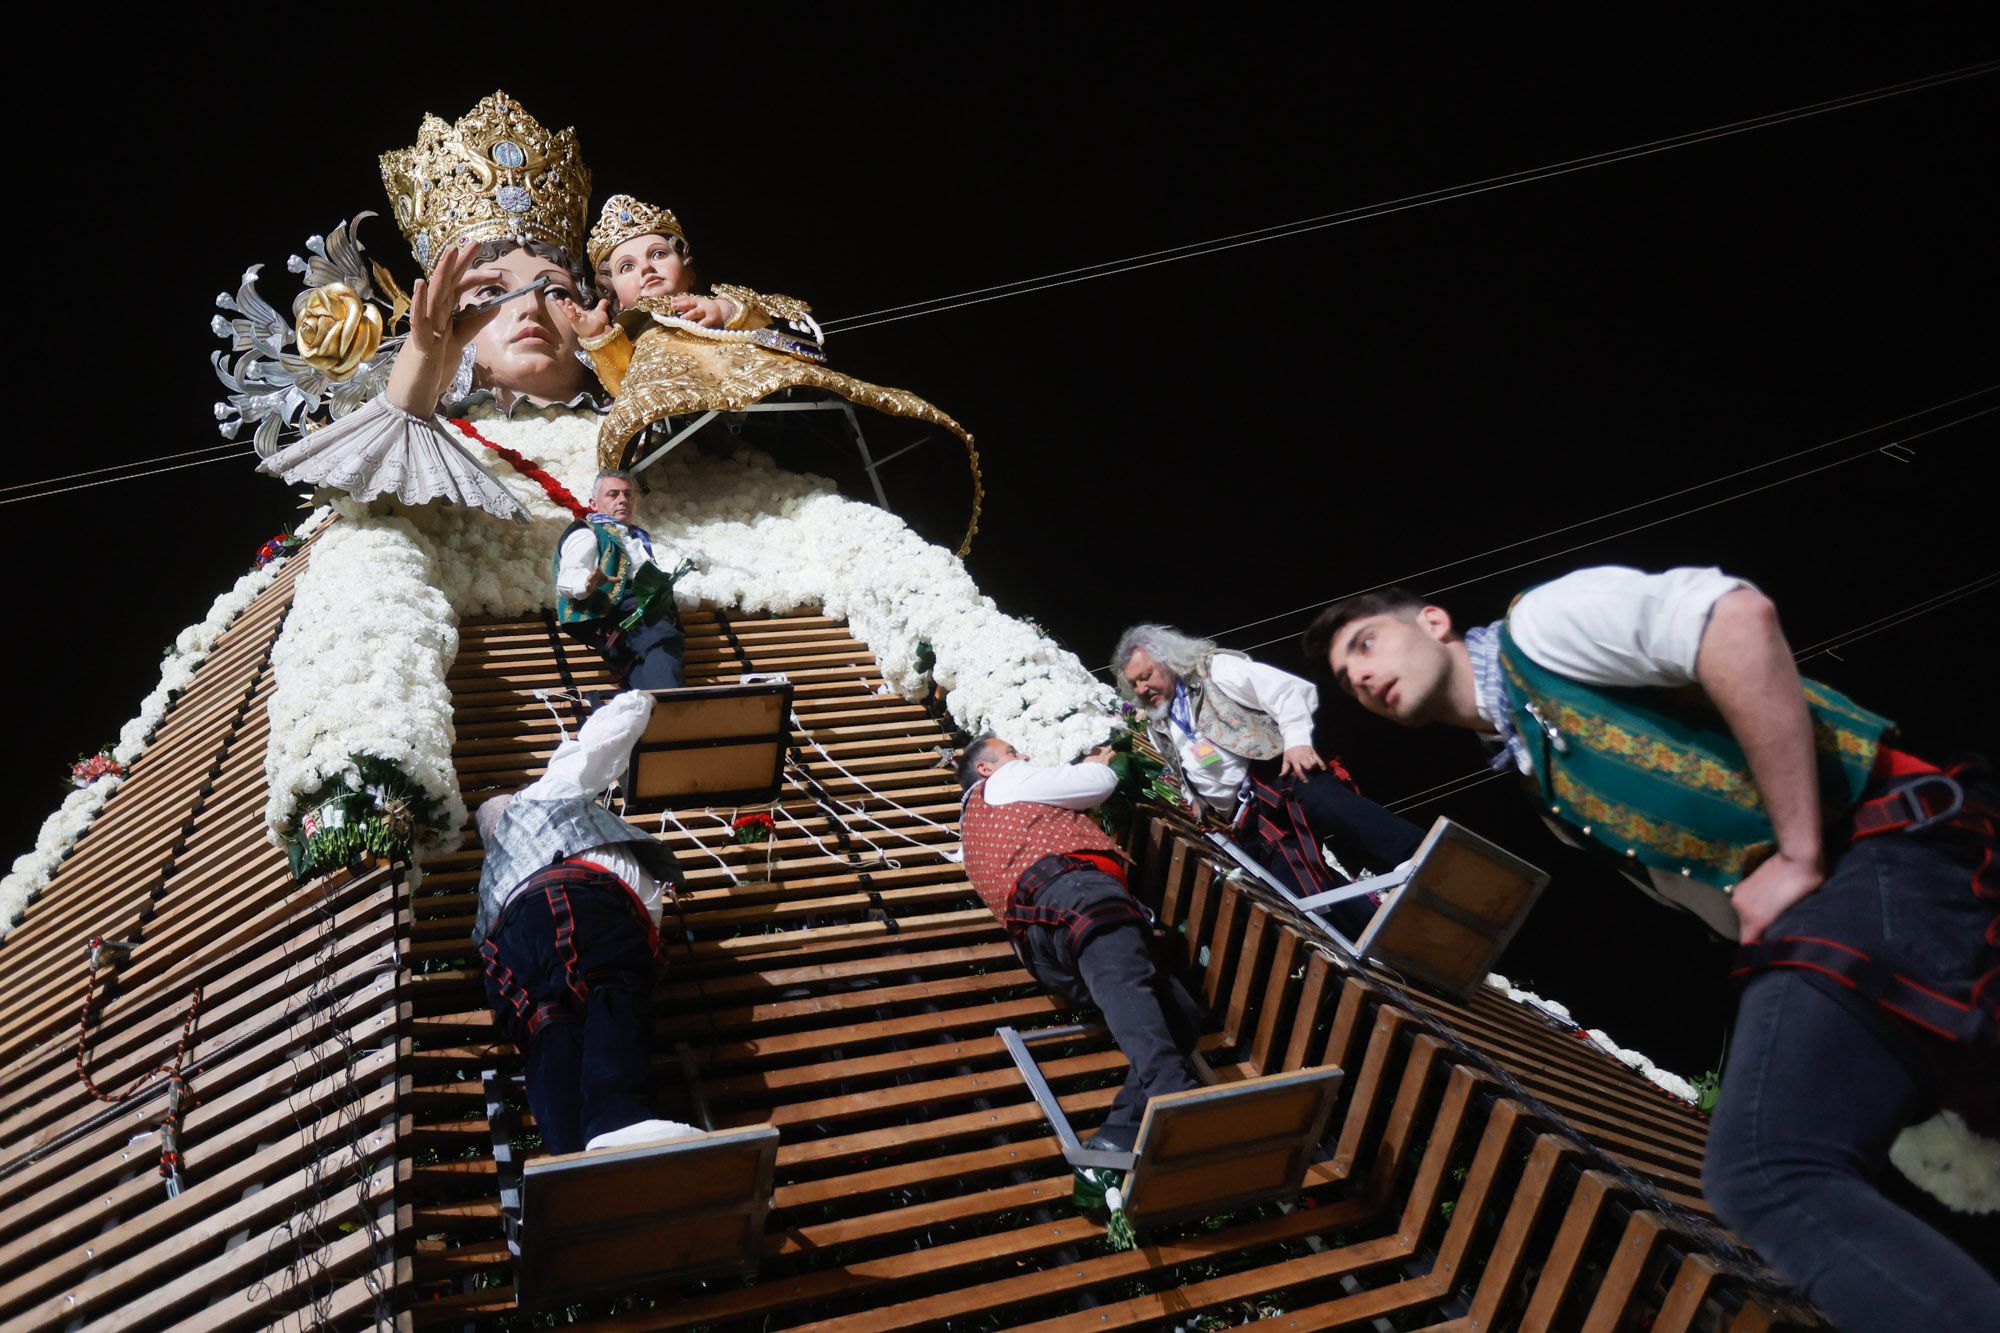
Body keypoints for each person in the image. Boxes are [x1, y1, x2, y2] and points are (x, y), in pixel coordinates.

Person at [1309, 566, 1999, 1332]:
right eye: (1346, 677)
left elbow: (1736, 617)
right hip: (1862, 911)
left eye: (1366, 644)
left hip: (1876, 847)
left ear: (1433, 621)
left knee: (1765, 1171)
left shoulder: (1543, 623)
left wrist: (1798, 852)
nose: (1362, 676)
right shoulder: (1545, 781)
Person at [957, 735, 1203, 1196]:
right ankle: (1176, 1096)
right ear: (986, 770)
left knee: (1178, 1012)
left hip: (1043, 941)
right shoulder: (1006, 783)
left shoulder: (970, 833)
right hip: (1075, 895)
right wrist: (1099, 761)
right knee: (1129, 986)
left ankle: (1117, 1138)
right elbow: (1095, 784)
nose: (1024, 755)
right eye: (1012, 751)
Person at [474, 690, 694, 1155]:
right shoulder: (537, 799)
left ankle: (573, 1157)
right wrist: (638, 702)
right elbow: (595, 749)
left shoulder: (491, 879)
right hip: (572, 901)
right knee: (611, 987)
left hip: (504, 952)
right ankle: (620, 1117)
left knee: (549, 1032)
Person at [1114, 624, 1423, 934]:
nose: (1142, 689)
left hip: (1277, 773)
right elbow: (1185, 767)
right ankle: (1372, 934)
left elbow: (1286, 690)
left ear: (1170, 661)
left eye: (1147, 676)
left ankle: (1414, 856)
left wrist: (1297, 741)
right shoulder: (1157, 725)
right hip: (1249, 815)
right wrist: (1195, 799)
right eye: (1134, 684)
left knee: (1327, 803)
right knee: (1301, 887)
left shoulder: (1215, 669)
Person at [553, 469, 687, 690]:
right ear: (593, 503)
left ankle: (657, 718)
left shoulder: (639, 539)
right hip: (620, 614)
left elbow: (652, 587)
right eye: (613, 494)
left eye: (628, 494)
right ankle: (671, 713)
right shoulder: (586, 533)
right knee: (662, 640)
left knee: (640, 673)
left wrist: (697, 602)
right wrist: (587, 583)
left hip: (634, 626)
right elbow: (568, 578)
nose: (623, 500)